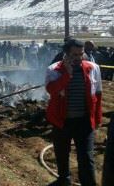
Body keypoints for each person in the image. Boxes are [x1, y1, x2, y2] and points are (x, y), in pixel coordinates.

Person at [45, 39, 102, 186]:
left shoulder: (93, 68)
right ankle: (64, 180)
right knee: (62, 155)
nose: (78, 58)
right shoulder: (53, 70)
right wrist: (67, 75)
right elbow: (52, 91)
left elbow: (98, 94)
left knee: (86, 158)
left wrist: (97, 119)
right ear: (66, 53)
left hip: (84, 122)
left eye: (81, 54)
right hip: (61, 122)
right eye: (74, 55)